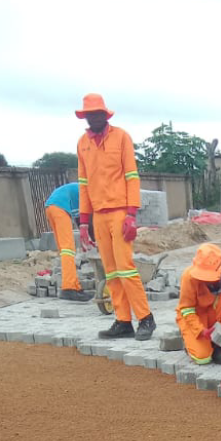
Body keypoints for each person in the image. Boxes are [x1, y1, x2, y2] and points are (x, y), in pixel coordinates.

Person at [75, 93, 156, 341]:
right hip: (98, 215)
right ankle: (123, 320)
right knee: (110, 272)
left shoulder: (121, 137)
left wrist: (132, 214)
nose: (95, 118)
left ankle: (145, 319)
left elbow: (132, 176)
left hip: (120, 212)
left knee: (126, 269)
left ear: (105, 115)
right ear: (86, 117)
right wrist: (84, 222)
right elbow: (83, 183)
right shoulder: (82, 144)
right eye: (91, 114)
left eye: (98, 113)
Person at [176, 243, 221, 365]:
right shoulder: (188, 277)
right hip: (197, 318)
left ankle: (218, 346)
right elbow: (187, 309)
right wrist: (201, 330)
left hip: (219, 316)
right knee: (202, 358)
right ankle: (189, 338)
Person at [44, 182, 92, 301]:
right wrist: (94, 240)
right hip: (60, 209)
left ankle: (74, 285)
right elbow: (87, 222)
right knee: (68, 249)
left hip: (50, 208)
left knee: (64, 250)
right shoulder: (86, 193)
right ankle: (69, 288)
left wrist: (86, 238)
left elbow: (80, 222)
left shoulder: (78, 190)